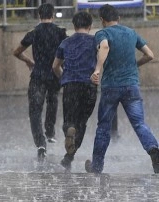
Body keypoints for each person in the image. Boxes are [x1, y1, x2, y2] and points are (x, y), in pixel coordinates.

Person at [85, 4, 159, 174]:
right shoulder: (131, 33)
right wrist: (134, 65)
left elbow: (104, 47)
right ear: (119, 19)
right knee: (139, 123)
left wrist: (97, 69)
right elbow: (150, 55)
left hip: (111, 86)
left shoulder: (102, 33)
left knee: (103, 126)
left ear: (102, 20)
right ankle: (153, 149)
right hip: (132, 86)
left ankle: (96, 167)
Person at [13, 3, 67, 161]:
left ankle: (40, 143)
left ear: (39, 16)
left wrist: (29, 61)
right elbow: (67, 51)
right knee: (53, 100)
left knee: (35, 110)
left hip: (38, 75)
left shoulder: (34, 32)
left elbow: (16, 52)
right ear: (52, 14)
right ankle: (50, 132)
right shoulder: (60, 32)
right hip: (55, 74)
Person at [52, 11, 97, 171]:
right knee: (81, 122)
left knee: (69, 120)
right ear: (90, 26)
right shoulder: (95, 42)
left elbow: (55, 66)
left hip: (70, 85)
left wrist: (65, 77)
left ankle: (69, 131)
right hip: (89, 85)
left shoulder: (66, 42)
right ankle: (68, 157)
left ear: (74, 25)